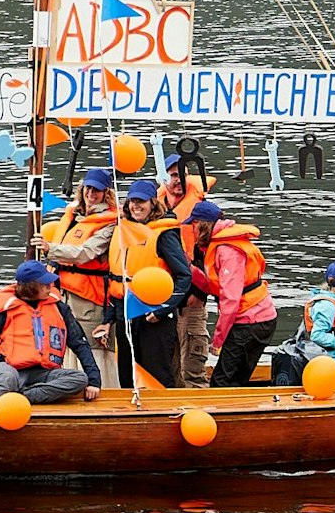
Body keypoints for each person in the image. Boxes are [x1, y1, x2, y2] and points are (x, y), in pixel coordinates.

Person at [0, 259, 100, 448]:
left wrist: (94, 380)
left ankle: (18, 397)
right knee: (7, 378)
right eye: (45, 284)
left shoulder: (59, 308)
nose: (50, 287)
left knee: (79, 379)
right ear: (31, 287)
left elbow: (80, 344)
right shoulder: (5, 309)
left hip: (42, 372)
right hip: (6, 367)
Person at [107, 178, 194, 390]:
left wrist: (163, 310)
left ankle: (164, 407)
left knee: (157, 374)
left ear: (153, 204)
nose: (136, 206)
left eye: (141, 202)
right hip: (127, 313)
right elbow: (113, 277)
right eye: (132, 201)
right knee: (126, 373)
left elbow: (184, 276)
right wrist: (108, 319)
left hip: (154, 317)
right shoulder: (123, 230)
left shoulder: (164, 235)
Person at [187, 200, 277, 387]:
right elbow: (215, 286)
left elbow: (231, 300)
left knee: (221, 382)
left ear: (201, 225)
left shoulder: (227, 251)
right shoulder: (222, 245)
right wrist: (189, 269)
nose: (191, 231)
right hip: (257, 319)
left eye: (193, 226)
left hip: (251, 321)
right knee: (235, 378)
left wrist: (217, 341)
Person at [42, 166, 119, 378]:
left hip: (91, 299)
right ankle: (69, 383)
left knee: (92, 347)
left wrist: (50, 249)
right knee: (67, 344)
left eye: (97, 190)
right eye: (88, 188)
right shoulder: (75, 216)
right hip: (66, 293)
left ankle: (99, 386)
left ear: (106, 193)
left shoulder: (109, 224)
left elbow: (85, 252)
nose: (91, 194)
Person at [163, 154, 214, 387]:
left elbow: (210, 260)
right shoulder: (155, 207)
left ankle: (200, 402)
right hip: (163, 297)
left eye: (181, 175)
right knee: (168, 364)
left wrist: (200, 294)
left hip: (191, 299)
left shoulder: (202, 212)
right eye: (173, 175)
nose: (177, 181)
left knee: (192, 365)